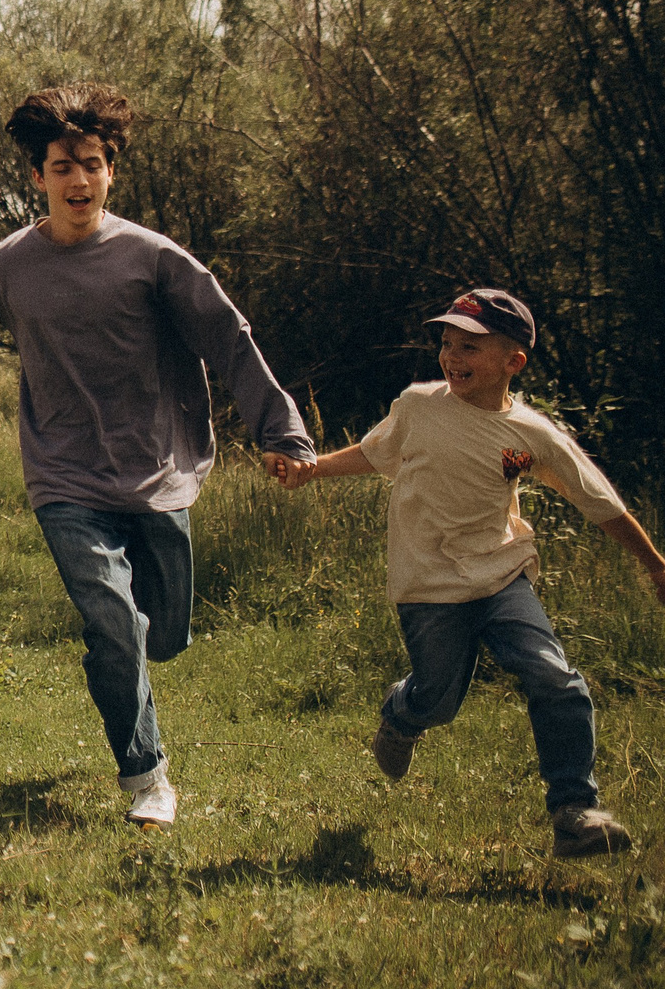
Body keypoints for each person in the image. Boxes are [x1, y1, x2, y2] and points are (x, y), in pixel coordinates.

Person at [0, 82, 312, 827]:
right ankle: (147, 776)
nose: (80, 180)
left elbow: (229, 339)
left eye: (94, 164)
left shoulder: (153, 259)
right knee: (113, 618)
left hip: (159, 468)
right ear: (37, 176)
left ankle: (124, 662)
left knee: (161, 631)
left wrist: (282, 429)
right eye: (64, 166)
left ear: (112, 171)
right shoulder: (5, 266)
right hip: (63, 472)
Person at [274, 288, 665, 858]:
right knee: (439, 700)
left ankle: (574, 810)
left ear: (514, 362)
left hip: (503, 575)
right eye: (448, 343)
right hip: (428, 584)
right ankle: (403, 712)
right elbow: (374, 452)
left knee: (553, 676)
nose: (453, 356)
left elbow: (598, 501)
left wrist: (654, 564)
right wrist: (312, 471)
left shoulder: (534, 435)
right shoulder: (419, 406)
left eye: (471, 348)